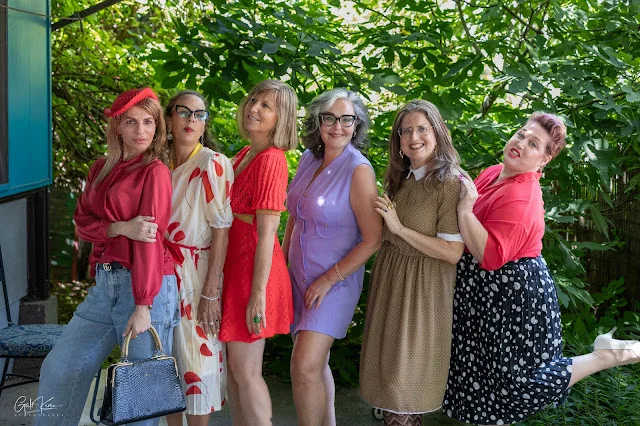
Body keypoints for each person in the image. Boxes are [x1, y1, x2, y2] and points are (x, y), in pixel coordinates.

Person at [443, 112, 640, 425]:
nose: (521, 143)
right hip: (482, 292)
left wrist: (465, 210)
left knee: (518, 384)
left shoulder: (521, 195)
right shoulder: (493, 173)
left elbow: (489, 256)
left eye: (533, 144)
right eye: (521, 134)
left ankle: (605, 356)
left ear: (544, 159)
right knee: (478, 372)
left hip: (513, 295)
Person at [36, 88, 178, 426]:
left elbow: (149, 241)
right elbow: (82, 222)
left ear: (157, 127)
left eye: (148, 122)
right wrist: (119, 228)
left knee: (139, 395)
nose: (141, 131)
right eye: (131, 122)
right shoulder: (100, 169)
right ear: (117, 127)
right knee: (60, 368)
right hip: (106, 284)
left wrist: (143, 304)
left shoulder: (154, 171)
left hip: (145, 286)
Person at [359, 100, 467, 426]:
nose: (413, 137)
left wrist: (399, 229)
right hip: (391, 287)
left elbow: (452, 252)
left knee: (403, 392)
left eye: (422, 128)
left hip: (421, 296)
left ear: (438, 132)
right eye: (405, 131)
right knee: (388, 388)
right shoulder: (402, 179)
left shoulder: (449, 182)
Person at [282, 89, 382, 426]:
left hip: (333, 283)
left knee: (304, 366)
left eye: (346, 119)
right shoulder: (309, 159)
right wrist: (281, 263)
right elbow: (295, 215)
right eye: (330, 118)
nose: (338, 126)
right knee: (316, 364)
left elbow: (373, 239)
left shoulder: (358, 170)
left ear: (357, 125)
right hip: (299, 277)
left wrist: (327, 280)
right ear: (318, 122)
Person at [218, 79, 298, 426]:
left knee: (247, 371)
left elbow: (268, 234)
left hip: (254, 270)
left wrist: (258, 294)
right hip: (235, 266)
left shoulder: (271, 160)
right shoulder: (244, 153)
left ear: (282, 118)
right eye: (253, 100)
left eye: (266, 106)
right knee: (234, 371)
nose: (254, 108)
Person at [161, 90, 234, 426]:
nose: (191, 119)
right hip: (160, 272)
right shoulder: (157, 164)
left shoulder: (212, 163)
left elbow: (222, 230)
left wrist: (211, 292)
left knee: (197, 365)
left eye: (199, 114)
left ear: (205, 125)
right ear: (169, 119)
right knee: (166, 362)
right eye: (183, 112)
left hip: (197, 273)